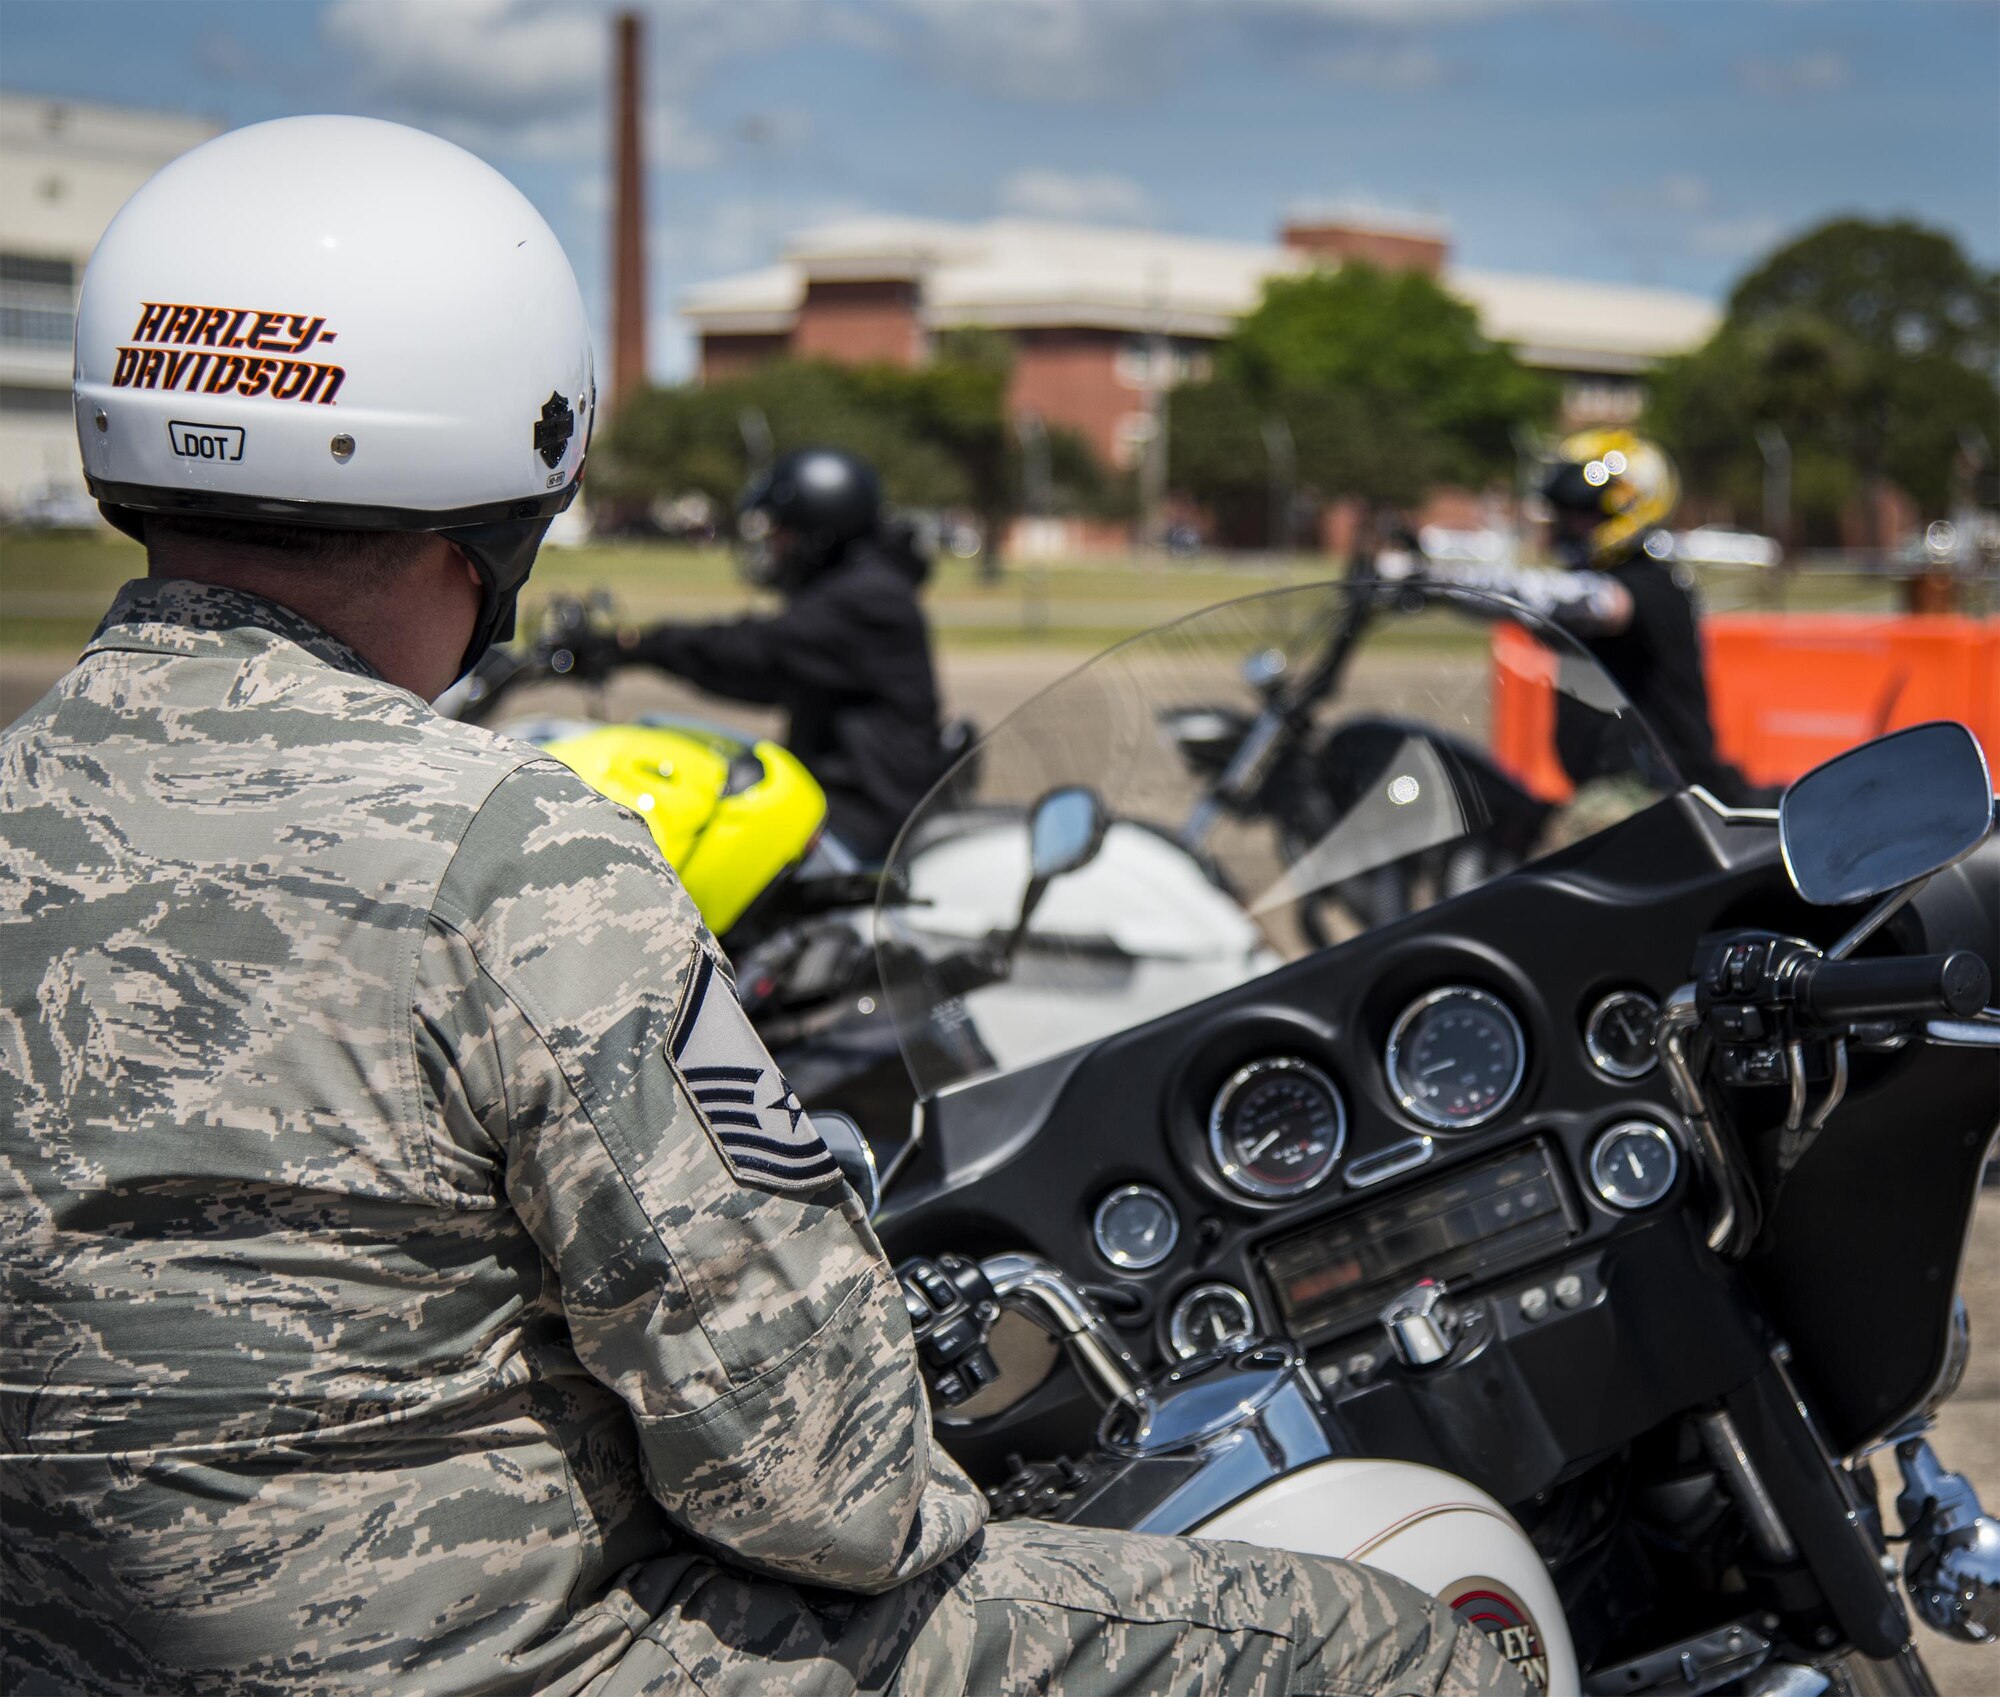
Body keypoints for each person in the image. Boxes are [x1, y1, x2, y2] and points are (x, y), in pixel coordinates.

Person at [0, 116, 1527, 1697]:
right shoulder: (509, 853)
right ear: (513, 465)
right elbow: (825, 1482)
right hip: (512, 1662)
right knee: (1412, 1642)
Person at [587, 449, 949, 862]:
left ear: (820, 531)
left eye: (782, 533)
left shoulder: (868, 599)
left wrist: (633, 646)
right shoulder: (858, 585)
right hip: (851, 805)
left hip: (868, 822)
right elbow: (763, 672)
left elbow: (753, 654)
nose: (774, 546)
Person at [1399, 430, 1758, 805]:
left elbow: (1579, 600)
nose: (1566, 525)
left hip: (1668, 803)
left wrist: (1433, 580)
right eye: (1564, 513)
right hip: (1616, 795)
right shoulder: (1614, 579)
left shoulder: (1651, 584)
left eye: (1582, 513)